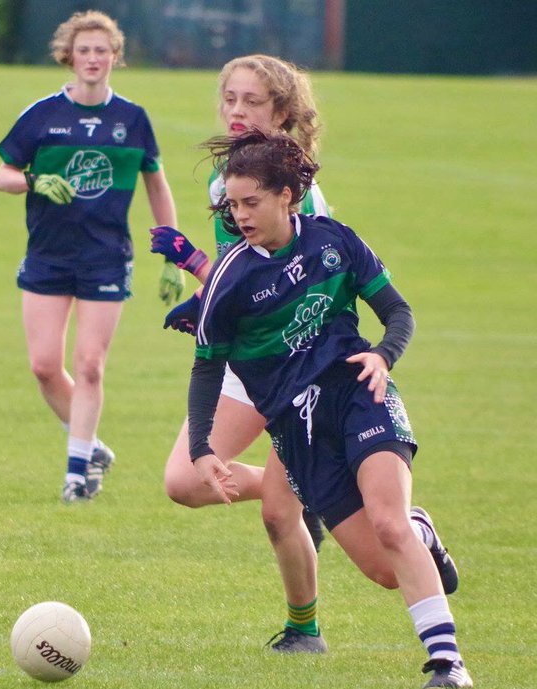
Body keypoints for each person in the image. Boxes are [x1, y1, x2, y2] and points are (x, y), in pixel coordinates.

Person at [188, 130, 470, 688]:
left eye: (251, 202)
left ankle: (447, 665)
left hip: (357, 394)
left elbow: (398, 311)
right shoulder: (230, 279)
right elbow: (206, 368)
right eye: (231, 205)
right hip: (298, 433)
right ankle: (424, 533)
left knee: (388, 524)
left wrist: (383, 356)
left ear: (288, 195)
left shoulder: (334, 241)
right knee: (385, 570)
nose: (239, 216)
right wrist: (201, 448)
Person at [150, 54, 335, 652]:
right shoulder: (225, 179)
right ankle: (317, 490)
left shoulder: (295, 192)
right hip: (247, 361)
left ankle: (304, 630)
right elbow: (242, 280)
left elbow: (283, 290)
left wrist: (194, 265)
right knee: (183, 481)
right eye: (229, 98)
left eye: (251, 101)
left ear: (280, 111)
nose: (235, 110)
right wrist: (205, 294)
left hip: (300, 365)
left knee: (280, 516)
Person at [0, 11, 177, 502]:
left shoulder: (133, 119)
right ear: (68, 56)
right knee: (44, 366)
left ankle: (77, 473)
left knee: (90, 364)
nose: (93, 59)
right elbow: (3, 175)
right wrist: (33, 180)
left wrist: (172, 254)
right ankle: (93, 447)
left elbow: (156, 184)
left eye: (102, 50)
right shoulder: (42, 114)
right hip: (48, 256)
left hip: (106, 257)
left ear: (115, 57)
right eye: (84, 50)